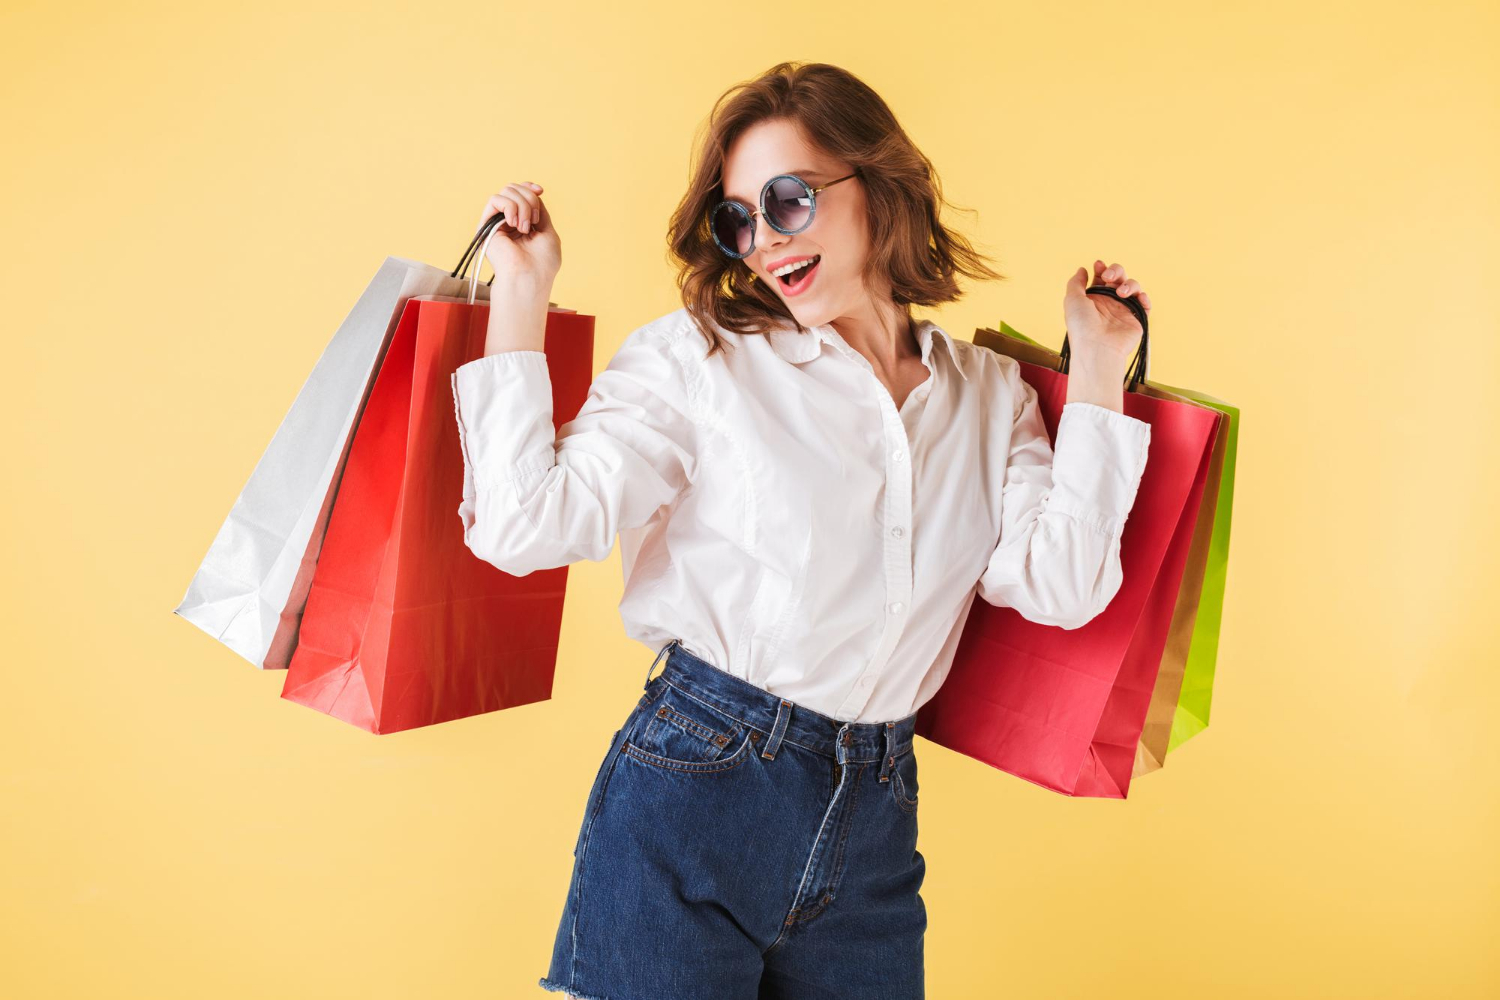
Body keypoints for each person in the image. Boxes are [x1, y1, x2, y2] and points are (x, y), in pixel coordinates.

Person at [449, 61, 1152, 1000]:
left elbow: (1063, 584)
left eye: (788, 200)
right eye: (737, 219)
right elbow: (521, 524)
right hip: (694, 788)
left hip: (876, 817)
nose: (763, 241)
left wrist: (1101, 366)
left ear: (880, 184)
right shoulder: (701, 358)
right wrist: (522, 291)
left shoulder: (988, 397)